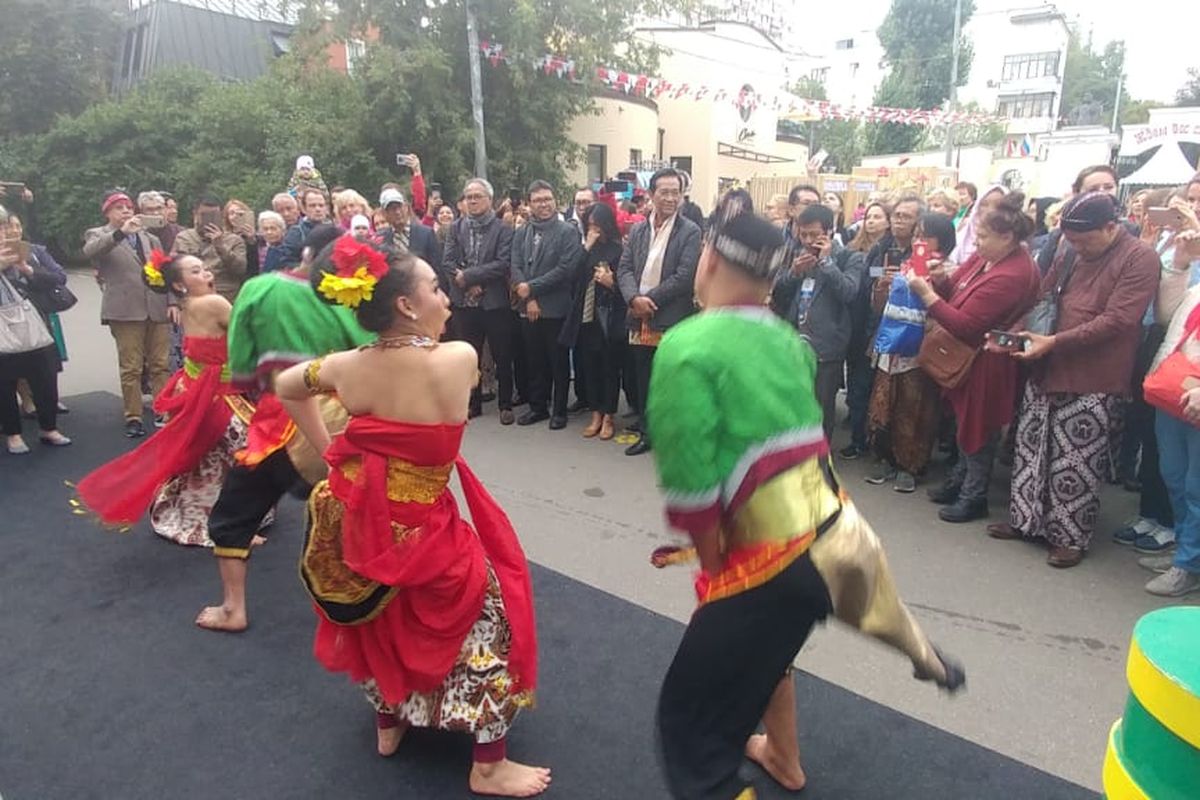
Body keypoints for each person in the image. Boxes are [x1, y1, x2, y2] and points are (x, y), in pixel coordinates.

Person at [647, 210, 964, 800]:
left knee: (692, 734)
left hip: (767, 561)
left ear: (709, 261)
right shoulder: (790, 340)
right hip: (838, 532)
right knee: (774, 650)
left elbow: (691, 489)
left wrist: (717, 570)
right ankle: (906, 657)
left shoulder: (686, 346)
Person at [275, 243, 548, 796]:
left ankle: (389, 722)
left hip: (354, 512)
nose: (447, 297)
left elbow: (284, 387)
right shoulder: (457, 358)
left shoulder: (346, 366)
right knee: (489, 622)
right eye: (436, 288)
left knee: (379, 619)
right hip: (422, 526)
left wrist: (331, 450)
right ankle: (488, 765)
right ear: (405, 303)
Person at [195, 225, 373, 632]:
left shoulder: (259, 289)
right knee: (353, 508)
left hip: (280, 423)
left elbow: (240, 358)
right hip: (344, 422)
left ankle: (232, 608)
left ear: (306, 252)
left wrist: (249, 385)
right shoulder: (351, 297)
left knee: (233, 515)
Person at [987, 192, 1159, 568]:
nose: (1077, 247)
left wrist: (1053, 342)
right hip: (1045, 364)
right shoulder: (1068, 251)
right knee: (1031, 450)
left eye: (1085, 240)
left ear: (1111, 227)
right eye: (1072, 240)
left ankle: (1069, 537)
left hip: (1094, 375)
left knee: (1075, 461)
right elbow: (1044, 297)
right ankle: (1025, 520)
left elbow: (1119, 320)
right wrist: (1015, 335)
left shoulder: (1140, 258)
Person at [74, 253, 263, 547]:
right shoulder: (213, 303)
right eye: (196, 271)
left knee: (209, 455)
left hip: (195, 387)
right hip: (214, 394)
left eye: (204, 267)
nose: (206, 273)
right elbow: (249, 334)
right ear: (178, 284)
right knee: (238, 452)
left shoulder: (186, 304)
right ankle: (228, 523)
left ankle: (205, 510)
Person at [911, 196, 1041, 522]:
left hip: (987, 358)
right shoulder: (986, 258)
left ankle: (974, 495)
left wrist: (926, 294)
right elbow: (955, 290)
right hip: (968, 356)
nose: (977, 243)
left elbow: (966, 325)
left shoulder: (1013, 273)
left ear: (1007, 238)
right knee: (961, 422)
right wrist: (940, 280)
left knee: (979, 428)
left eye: (983, 237)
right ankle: (959, 481)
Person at [616, 167, 702, 457]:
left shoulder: (690, 231)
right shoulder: (639, 228)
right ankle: (648, 430)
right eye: (664, 192)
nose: (670, 198)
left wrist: (647, 300)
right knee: (643, 373)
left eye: (675, 192)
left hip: (670, 316)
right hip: (639, 318)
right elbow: (624, 268)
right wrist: (633, 299)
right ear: (651, 195)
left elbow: (684, 276)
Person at [1138, 224, 1200, 596]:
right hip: (1175, 391)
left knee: (1196, 487)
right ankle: (1187, 551)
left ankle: (1188, 564)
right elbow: (1166, 316)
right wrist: (1179, 263)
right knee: (1174, 477)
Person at [865, 204, 944, 493]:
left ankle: (911, 465)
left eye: (926, 235)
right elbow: (879, 306)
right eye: (917, 235)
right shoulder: (905, 264)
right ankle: (886, 459)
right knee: (884, 404)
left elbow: (944, 309)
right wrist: (883, 287)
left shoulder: (946, 270)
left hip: (921, 349)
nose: (918, 241)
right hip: (891, 344)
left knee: (915, 407)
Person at [771, 202, 865, 441]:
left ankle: (820, 462)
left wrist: (826, 263)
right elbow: (777, 291)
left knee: (821, 409)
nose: (808, 240)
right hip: (794, 342)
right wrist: (793, 273)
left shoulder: (849, 258)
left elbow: (849, 292)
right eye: (803, 234)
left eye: (814, 234)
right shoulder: (794, 254)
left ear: (829, 232)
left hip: (827, 347)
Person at [83, 191, 170, 438]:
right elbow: (92, 251)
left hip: (156, 306)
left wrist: (172, 301)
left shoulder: (150, 238)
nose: (126, 211)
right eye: (119, 207)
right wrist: (122, 232)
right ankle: (133, 415)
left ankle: (162, 408)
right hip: (125, 311)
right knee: (131, 367)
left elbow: (164, 270)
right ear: (108, 212)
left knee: (160, 365)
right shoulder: (99, 234)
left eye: (129, 207)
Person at [442, 178, 516, 423]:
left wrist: (473, 277)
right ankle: (472, 403)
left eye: (478, 196)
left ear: (490, 200)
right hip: (464, 303)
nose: (472, 201)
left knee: (502, 353)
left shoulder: (503, 228)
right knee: (468, 355)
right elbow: (448, 262)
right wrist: (466, 283)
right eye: (469, 197)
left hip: (494, 302)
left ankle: (505, 404)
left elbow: (503, 263)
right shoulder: (456, 227)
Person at [511, 181, 583, 430]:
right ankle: (538, 407)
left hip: (556, 307)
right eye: (538, 200)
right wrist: (528, 297)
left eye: (547, 199)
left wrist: (532, 289)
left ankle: (560, 411)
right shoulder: (522, 232)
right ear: (529, 204)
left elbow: (565, 270)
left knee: (558, 361)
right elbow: (516, 265)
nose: (543, 204)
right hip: (527, 307)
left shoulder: (567, 232)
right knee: (534, 359)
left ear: (555, 201)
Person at [0, 214, 70, 454]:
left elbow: (56, 279)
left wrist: (26, 269)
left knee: (46, 377)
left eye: (3, 227)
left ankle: (49, 428)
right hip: (2, 330)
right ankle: (13, 434)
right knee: (4, 384)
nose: (4, 233)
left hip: (34, 323)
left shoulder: (26, 252)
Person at [561, 203, 624, 441]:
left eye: (598, 226)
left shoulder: (618, 250)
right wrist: (587, 244)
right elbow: (572, 274)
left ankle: (609, 415)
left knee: (609, 367)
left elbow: (625, 286)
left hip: (608, 316)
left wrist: (611, 283)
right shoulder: (587, 249)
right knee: (590, 366)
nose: (595, 230)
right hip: (586, 315)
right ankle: (596, 412)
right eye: (590, 226)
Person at [172, 195, 248, 303]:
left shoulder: (234, 240)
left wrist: (220, 246)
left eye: (214, 215)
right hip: (195, 297)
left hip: (226, 296)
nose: (209, 219)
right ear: (195, 214)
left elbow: (240, 269)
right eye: (204, 215)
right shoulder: (184, 238)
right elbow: (178, 271)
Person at [377, 188, 439, 277]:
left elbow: (437, 270)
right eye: (392, 209)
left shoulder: (426, 234)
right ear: (384, 213)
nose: (398, 212)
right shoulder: (380, 240)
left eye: (400, 207)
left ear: (406, 207)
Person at [949, 185, 1006, 265]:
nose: (990, 210)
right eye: (984, 204)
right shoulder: (966, 230)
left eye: (998, 205)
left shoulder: (1006, 243)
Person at [279, 188, 330, 268]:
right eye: (312, 206)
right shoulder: (296, 233)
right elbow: (287, 262)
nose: (318, 209)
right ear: (303, 209)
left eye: (321, 205)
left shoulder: (334, 231)